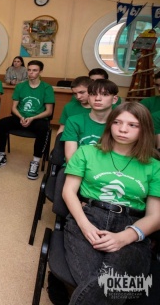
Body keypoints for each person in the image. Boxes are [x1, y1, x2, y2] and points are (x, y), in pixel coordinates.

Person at [62, 102, 160, 304]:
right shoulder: (86, 152)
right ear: (109, 125)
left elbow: (155, 215)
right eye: (117, 122)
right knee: (112, 285)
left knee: (107, 282)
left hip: (132, 224)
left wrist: (125, 237)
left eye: (133, 125)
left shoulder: (154, 166)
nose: (123, 129)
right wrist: (85, 225)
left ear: (145, 129)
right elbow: (68, 192)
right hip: (90, 215)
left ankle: (62, 289)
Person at [0, 60, 55, 180]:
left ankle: (35, 161)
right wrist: (21, 117)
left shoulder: (47, 88)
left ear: (40, 71)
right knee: (2, 123)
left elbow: (48, 111)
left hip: (37, 119)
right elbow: (14, 107)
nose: (31, 73)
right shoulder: (20, 86)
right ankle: (1, 154)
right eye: (29, 70)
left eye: (34, 70)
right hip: (20, 117)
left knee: (44, 128)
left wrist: (32, 118)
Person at [62, 79, 118, 162]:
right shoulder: (74, 121)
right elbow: (70, 158)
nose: (97, 98)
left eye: (105, 94)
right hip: (78, 166)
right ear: (88, 98)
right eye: (93, 94)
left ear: (114, 99)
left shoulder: (120, 124)